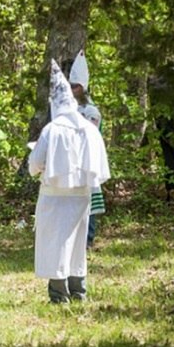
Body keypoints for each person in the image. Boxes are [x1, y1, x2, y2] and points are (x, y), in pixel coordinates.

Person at [29, 59, 110, 303]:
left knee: (55, 243)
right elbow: (98, 163)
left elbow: (36, 163)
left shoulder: (52, 129)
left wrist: (41, 167)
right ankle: (78, 290)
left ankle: (58, 294)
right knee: (76, 243)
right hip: (81, 194)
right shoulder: (88, 129)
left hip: (54, 195)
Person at [68, 51, 106, 249]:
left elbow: (90, 135)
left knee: (89, 198)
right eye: (71, 85)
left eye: (76, 86)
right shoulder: (68, 108)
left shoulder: (91, 111)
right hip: (71, 161)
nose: (72, 89)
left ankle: (88, 239)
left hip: (87, 160)